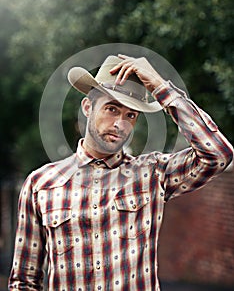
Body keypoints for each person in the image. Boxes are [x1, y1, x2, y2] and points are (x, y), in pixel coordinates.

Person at [8, 54, 233, 291]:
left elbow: (218, 154)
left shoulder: (152, 174)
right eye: (112, 109)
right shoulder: (41, 184)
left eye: (130, 115)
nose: (120, 124)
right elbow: (24, 281)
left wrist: (160, 86)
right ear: (87, 107)